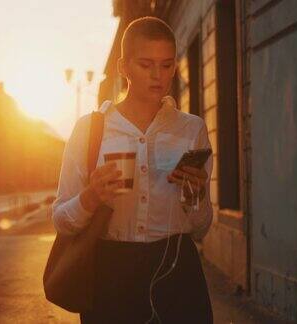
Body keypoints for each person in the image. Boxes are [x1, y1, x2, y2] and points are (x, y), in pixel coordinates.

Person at [52, 17, 214, 323]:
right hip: (110, 273)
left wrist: (195, 195)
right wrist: (90, 197)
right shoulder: (90, 130)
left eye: (166, 65)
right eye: (146, 65)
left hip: (178, 270)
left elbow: (201, 228)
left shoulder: (191, 129)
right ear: (123, 68)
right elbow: (61, 220)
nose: (158, 76)